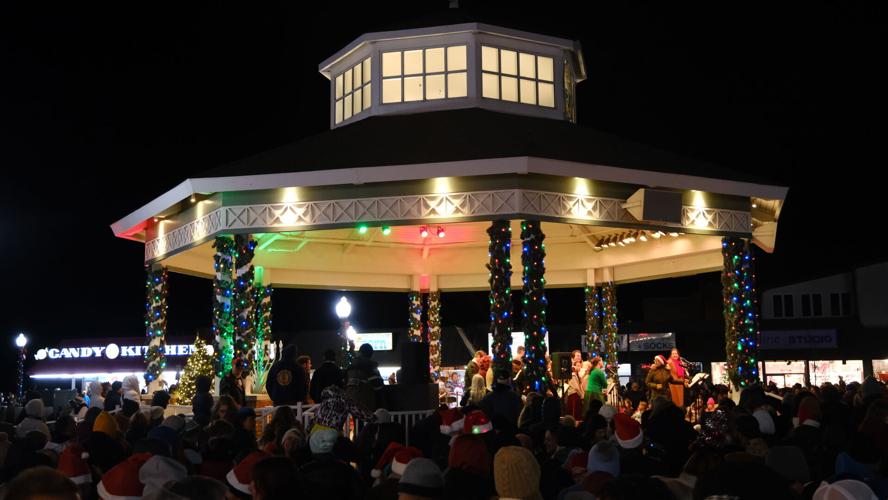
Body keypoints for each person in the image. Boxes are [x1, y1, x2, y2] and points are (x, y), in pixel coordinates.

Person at [346, 343, 385, 411]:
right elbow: (378, 387)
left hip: (350, 408)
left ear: (360, 353)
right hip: (366, 408)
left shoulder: (350, 368)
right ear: (371, 354)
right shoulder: (370, 368)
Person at [565, 351, 587, 420]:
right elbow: (576, 387)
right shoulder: (571, 371)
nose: (579, 357)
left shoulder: (578, 371)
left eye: (580, 356)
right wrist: (581, 395)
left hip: (576, 393)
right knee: (575, 413)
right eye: (577, 356)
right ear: (572, 358)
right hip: (574, 394)